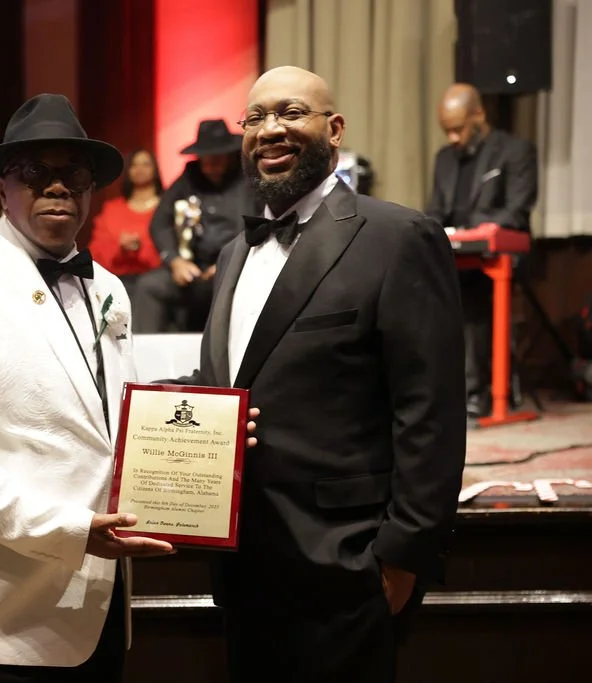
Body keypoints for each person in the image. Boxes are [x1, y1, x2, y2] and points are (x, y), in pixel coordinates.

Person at [0, 93, 258, 682]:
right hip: (0, 619)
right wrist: (69, 531)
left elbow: (109, 422)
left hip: (101, 604)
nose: (58, 187)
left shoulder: (109, 287)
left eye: (75, 174)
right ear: (2, 189)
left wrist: (211, 442)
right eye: (34, 173)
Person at [193, 66, 466, 682]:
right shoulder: (234, 253)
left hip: (347, 566)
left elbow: (432, 412)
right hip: (242, 565)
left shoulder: (399, 237)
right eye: (255, 117)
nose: (270, 129)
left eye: (291, 112)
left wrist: (403, 556)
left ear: (334, 129)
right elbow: (227, 383)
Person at [425, 82, 539, 417]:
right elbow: (435, 211)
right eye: (447, 131)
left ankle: (477, 393)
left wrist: (471, 230)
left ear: (479, 114)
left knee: (471, 294)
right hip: (455, 252)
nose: (453, 138)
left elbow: (516, 212)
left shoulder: (515, 151)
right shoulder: (445, 158)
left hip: (500, 253)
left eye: (458, 129)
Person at [132, 119, 257, 333]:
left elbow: (262, 225)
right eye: (205, 160)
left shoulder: (249, 178)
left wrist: (229, 262)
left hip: (237, 270)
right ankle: (145, 353)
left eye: (216, 159)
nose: (210, 166)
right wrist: (175, 261)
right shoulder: (189, 177)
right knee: (149, 286)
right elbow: (160, 222)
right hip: (193, 271)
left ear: (229, 155)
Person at [88, 148, 163, 299]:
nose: (140, 169)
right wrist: (120, 248)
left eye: (146, 164)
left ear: (155, 169)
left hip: (155, 284)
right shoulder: (111, 209)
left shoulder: (166, 209)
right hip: (114, 282)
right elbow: (96, 251)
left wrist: (141, 249)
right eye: (134, 165)